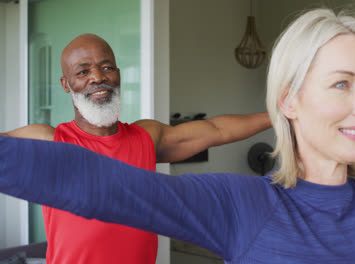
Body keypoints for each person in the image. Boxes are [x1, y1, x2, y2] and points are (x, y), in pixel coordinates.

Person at [1, 8, 355, 263]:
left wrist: (273, 117)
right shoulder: (241, 205)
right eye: (342, 83)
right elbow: (98, 184)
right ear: (290, 99)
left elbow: (217, 130)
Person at [0, 34, 271, 264]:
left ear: (117, 74)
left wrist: (279, 116)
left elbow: (217, 130)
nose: (97, 77)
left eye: (107, 67)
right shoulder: (48, 140)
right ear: (65, 84)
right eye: (83, 71)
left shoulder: (146, 137)